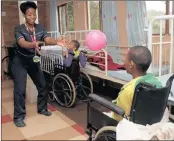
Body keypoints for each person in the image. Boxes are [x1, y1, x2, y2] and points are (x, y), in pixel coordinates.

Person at [12, 1, 66, 127]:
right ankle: (19, 117)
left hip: (33, 60)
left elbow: (47, 39)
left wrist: (58, 42)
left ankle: (42, 108)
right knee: (20, 89)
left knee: (43, 85)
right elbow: (22, 43)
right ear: (24, 15)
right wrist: (34, 44)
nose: (32, 17)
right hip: (20, 61)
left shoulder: (40, 28)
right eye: (29, 14)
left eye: (34, 14)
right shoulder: (19, 28)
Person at [111, 46, 162, 121]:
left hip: (129, 127)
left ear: (131, 64)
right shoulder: (157, 83)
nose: (123, 62)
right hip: (151, 123)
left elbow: (118, 117)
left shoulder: (129, 90)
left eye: (125, 58)